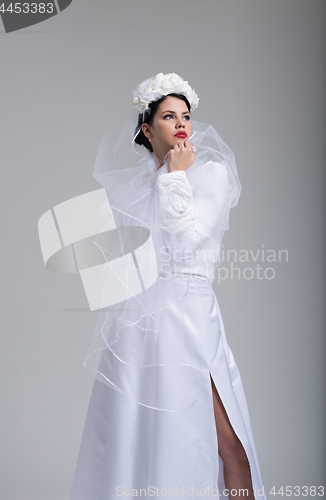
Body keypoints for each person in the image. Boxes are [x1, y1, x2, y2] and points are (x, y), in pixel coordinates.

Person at [69, 73, 267, 500]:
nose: (181, 124)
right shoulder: (139, 187)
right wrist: (164, 178)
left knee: (226, 440)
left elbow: (186, 245)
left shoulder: (210, 175)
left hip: (190, 318)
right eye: (167, 116)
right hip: (139, 327)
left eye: (186, 116)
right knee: (140, 437)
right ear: (147, 128)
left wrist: (175, 177)